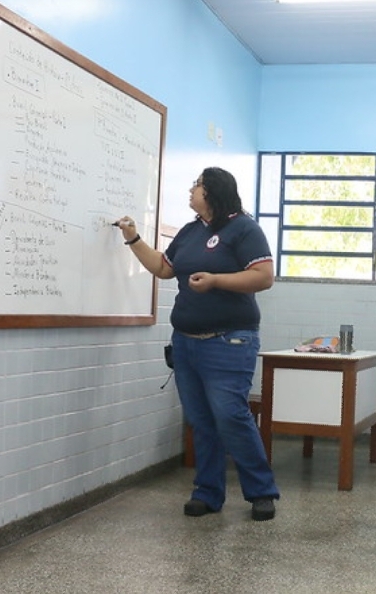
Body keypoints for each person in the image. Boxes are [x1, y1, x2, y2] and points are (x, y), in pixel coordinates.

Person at [115, 167, 280, 521]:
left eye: (197, 186)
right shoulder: (191, 231)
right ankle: (207, 493)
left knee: (231, 416)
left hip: (229, 341)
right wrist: (133, 238)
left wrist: (217, 280)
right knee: (201, 420)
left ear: (214, 192)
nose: (191, 191)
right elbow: (163, 268)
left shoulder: (244, 229)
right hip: (187, 344)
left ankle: (261, 492)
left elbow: (264, 276)